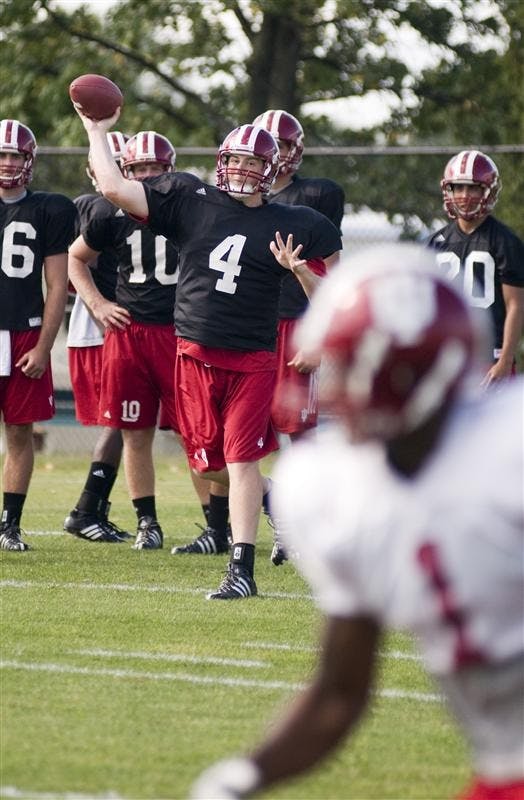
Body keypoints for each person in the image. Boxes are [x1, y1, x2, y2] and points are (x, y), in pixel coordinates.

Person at [190, 243, 524, 800]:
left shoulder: (509, 448)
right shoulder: (333, 491)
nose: (336, 385)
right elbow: (340, 693)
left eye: (352, 364)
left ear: (414, 371)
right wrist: (242, 776)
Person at [73, 102, 341, 598]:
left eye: (254, 163)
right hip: (194, 355)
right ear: (221, 162)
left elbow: (335, 299)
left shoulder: (296, 221)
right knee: (206, 465)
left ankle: (241, 571)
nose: (242, 170)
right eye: (236, 161)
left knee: (241, 463)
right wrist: (97, 130)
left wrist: (299, 269)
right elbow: (113, 187)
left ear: (272, 169)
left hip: (252, 361)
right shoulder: (189, 200)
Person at [68, 130, 181, 549]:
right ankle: (125, 516)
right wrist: (99, 305)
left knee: (184, 430)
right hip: (121, 328)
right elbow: (73, 263)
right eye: (137, 168)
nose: (147, 176)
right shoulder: (99, 209)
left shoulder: (181, 208)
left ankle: (217, 523)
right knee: (128, 426)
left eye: (154, 168)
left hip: (166, 328)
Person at [253, 108, 345, 565]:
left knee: (299, 432)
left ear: (298, 148)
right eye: (271, 142)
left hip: (294, 321)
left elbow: (332, 266)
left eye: (285, 143)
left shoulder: (317, 195)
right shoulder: (239, 195)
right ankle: (274, 514)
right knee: (234, 436)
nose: (279, 152)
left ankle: (306, 521)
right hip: (246, 324)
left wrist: (318, 336)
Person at [0, 119, 77, 551]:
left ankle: (9, 524)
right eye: (2, 154)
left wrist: (46, 346)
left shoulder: (49, 208)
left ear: (29, 161)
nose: (8, 163)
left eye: (15, 155)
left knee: (19, 432)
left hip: (24, 332)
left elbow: (57, 285)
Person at [64, 130, 133, 543]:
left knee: (128, 421)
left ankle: (93, 509)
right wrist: (99, 304)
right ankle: (86, 510)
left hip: (115, 321)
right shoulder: (96, 207)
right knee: (122, 419)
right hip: (106, 322)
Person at [427, 150, 524, 387]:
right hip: (448, 356)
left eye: (473, 188)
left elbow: (516, 303)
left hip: (491, 355)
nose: (464, 195)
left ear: (488, 191)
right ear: (448, 190)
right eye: (458, 188)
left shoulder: (504, 241)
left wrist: (506, 359)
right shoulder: (435, 242)